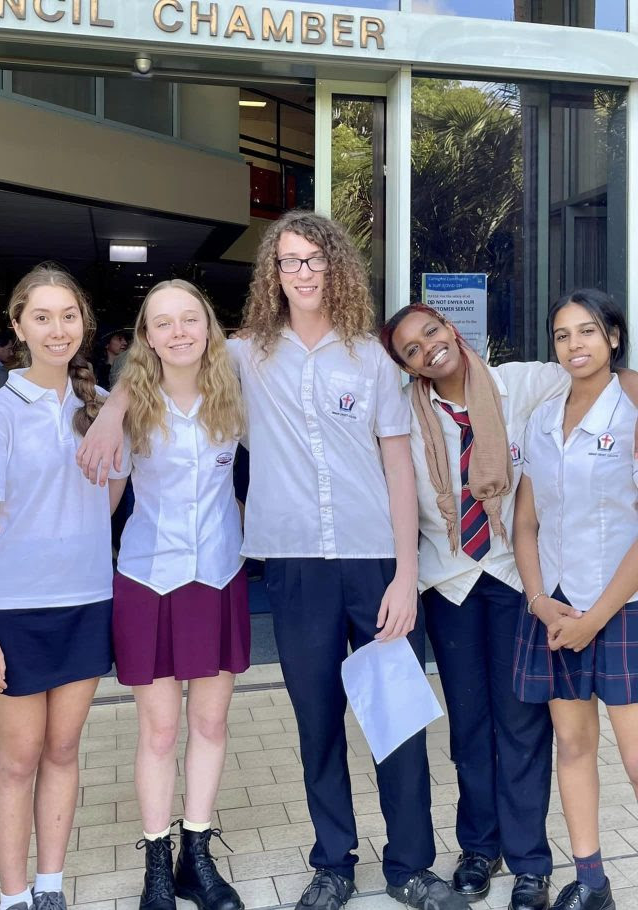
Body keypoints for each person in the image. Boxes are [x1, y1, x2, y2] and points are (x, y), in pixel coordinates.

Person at [79, 211, 463, 910]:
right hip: (293, 566)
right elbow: (168, 352)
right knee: (317, 719)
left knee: (395, 719)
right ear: (274, 274)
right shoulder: (247, 355)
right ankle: (334, 863)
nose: (303, 272)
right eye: (289, 261)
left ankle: (409, 865)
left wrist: (407, 576)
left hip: (372, 559)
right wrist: (112, 410)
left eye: (315, 259)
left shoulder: (373, 361)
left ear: (337, 267)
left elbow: (400, 470)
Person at [379, 304, 566, 910]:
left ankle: (531, 859)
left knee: (521, 722)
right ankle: (480, 849)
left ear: (451, 330)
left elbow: (604, 377)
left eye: (431, 332)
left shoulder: (523, 384)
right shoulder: (405, 411)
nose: (427, 348)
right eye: (411, 349)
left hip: (516, 576)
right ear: (408, 367)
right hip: (451, 582)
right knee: (470, 725)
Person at [0, 262, 128, 910]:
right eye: (42, 317)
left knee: (63, 750)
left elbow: (108, 502)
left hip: (86, 601)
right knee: (18, 759)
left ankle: (50, 886)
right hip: (14, 612)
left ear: (83, 323)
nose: (57, 329)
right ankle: (13, 895)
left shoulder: (103, 410)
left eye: (68, 316)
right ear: (18, 325)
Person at [113, 280, 249, 910]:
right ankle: (156, 863)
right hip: (149, 580)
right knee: (161, 731)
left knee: (212, 722)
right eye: (161, 323)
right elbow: (105, 500)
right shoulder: (129, 406)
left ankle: (197, 853)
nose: (177, 332)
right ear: (147, 337)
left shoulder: (237, 397)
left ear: (208, 327)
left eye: (189, 319)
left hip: (219, 576)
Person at [513, 289, 638, 910]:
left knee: (637, 753)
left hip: (621, 607)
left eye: (588, 331)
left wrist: (596, 618)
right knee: (573, 743)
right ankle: (592, 881)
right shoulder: (543, 415)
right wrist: (538, 599)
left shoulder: (635, 409)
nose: (575, 345)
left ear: (613, 337)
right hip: (558, 605)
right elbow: (526, 522)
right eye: (562, 335)